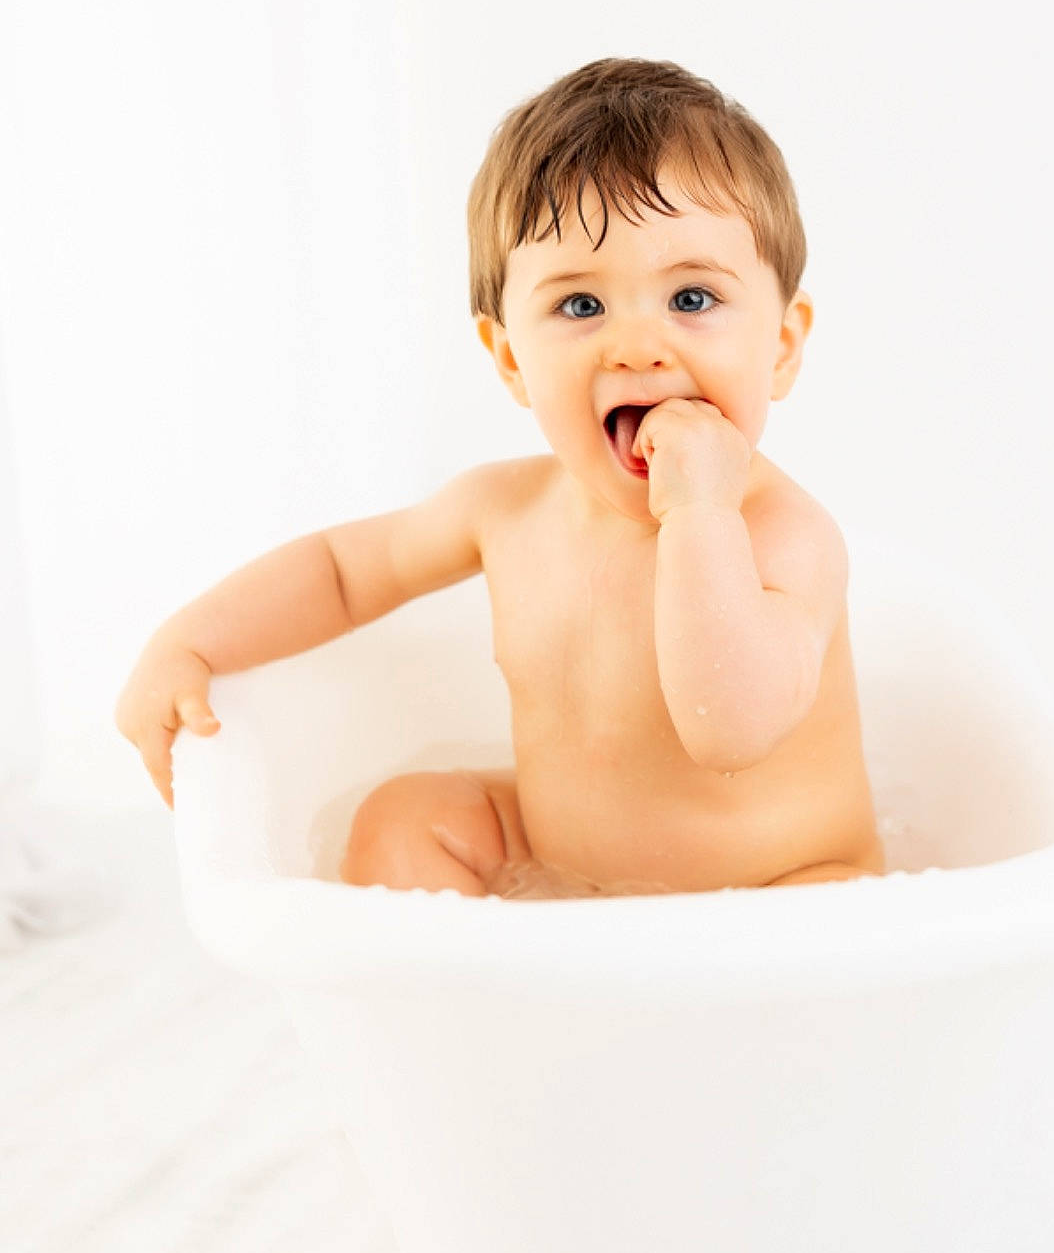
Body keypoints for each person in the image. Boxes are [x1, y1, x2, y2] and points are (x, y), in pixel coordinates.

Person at [115, 57, 887, 898]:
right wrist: (188, 643)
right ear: (511, 357)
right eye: (580, 306)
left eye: (692, 298)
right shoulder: (504, 511)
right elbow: (341, 573)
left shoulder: (786, 538)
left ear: (780, 345)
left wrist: (700, 510)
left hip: (778, 885)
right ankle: (494, 981)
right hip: (562, 870)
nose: (635, 345)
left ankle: (627, 983)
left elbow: (727, 727)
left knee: (830, 911)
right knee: (407, 820)